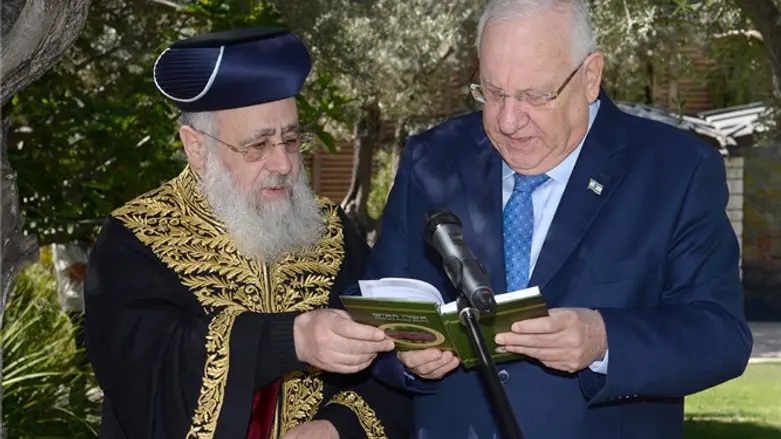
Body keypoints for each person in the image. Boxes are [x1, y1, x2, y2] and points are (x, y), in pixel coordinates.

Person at [363, 1, 753, 438]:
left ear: (590, 77)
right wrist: (406, 358)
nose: (508, 120)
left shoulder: (676, 170)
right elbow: (374, 316)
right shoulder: (432, 160)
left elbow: (720, 337)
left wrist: (604, 339)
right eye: (492, 93)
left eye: (534, 95)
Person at [84, 27, 411, 439]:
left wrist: (337, 426)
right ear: (196, 147)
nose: (284, 164)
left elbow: (387, 366)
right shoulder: (135, 239)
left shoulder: (330, 231)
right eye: (258, 146)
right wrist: (289, 340)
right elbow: (151, 379)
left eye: (291, 140)